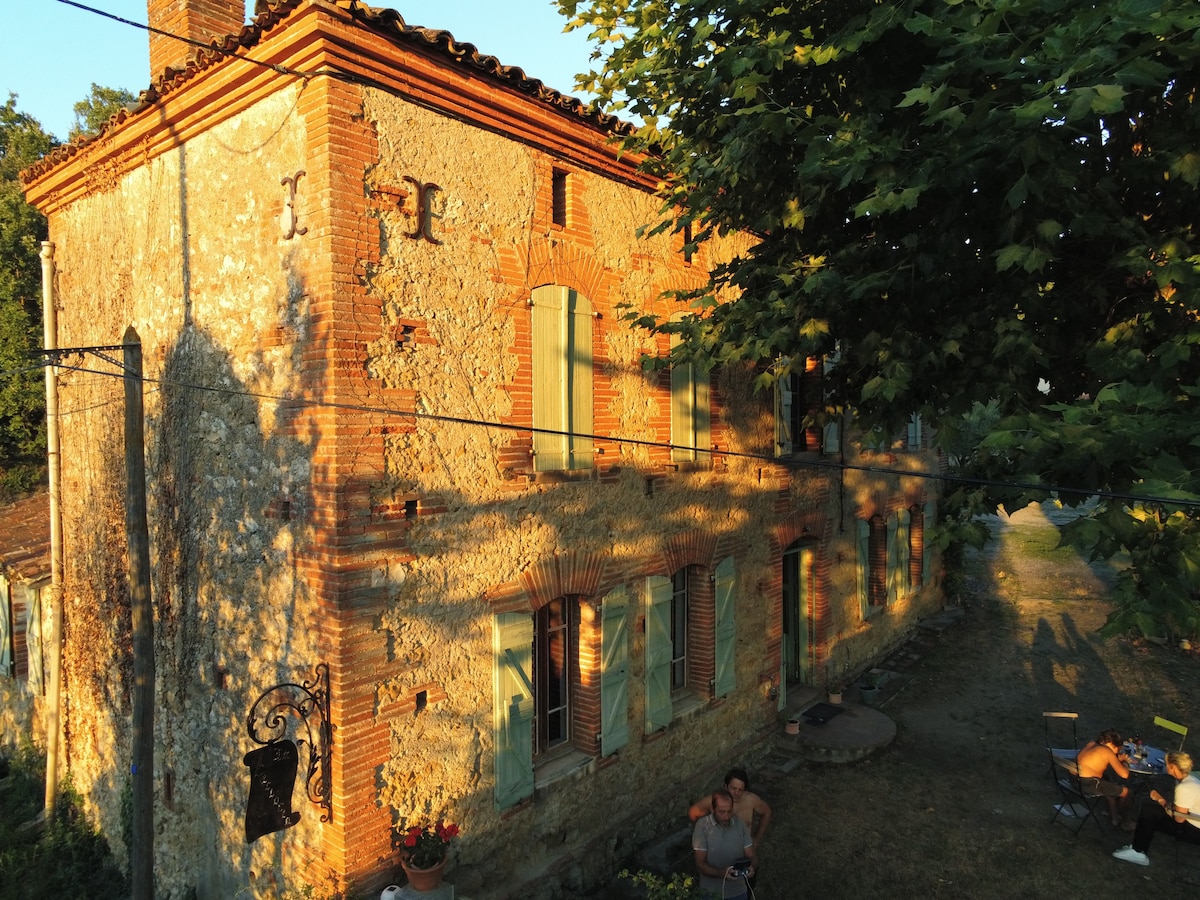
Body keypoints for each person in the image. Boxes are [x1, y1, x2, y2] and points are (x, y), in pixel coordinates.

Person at [1112, 751, 1200, 866]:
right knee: (1150, 810)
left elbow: (1179, 819)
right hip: (1193, 820)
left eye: (1166, 763)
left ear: (1172, 766)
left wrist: (1160, 800)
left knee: (1149, 813)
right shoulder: (1191, 780)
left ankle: (1138, 851)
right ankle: (1138, 847)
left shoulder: (1184, 787)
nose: (1165, 766)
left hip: (1195, 830)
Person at [692, 787, 755, 900]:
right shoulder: (702, 826)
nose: (726, 817)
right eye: (721, 812)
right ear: (712, 809)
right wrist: (722, 873)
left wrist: (752, 866)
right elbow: (700, 864)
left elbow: (751, 855)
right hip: (711, 894)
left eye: (729, 811)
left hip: (738, 892)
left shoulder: (739, 825)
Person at [688, 767, 773, 850]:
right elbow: (693, 812)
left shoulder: (751, 800)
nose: (736, 793)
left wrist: (757, 839)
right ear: (726, 786)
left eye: (740, 790)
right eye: (733, 788)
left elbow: (767, 812)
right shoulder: (714, 800)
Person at [1074, 728, 1134, 828]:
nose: (1117, 752)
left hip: (1075, 780)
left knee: (1107, 782)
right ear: (1113, 745)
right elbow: (1124, 774)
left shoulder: (1091, 744)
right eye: (1118, 749)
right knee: (1127, 792)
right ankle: (1126, 823)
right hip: (1088, 785)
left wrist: (1115, 759)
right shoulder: (1107, 751)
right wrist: (1124, 761)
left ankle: (1114, 817)